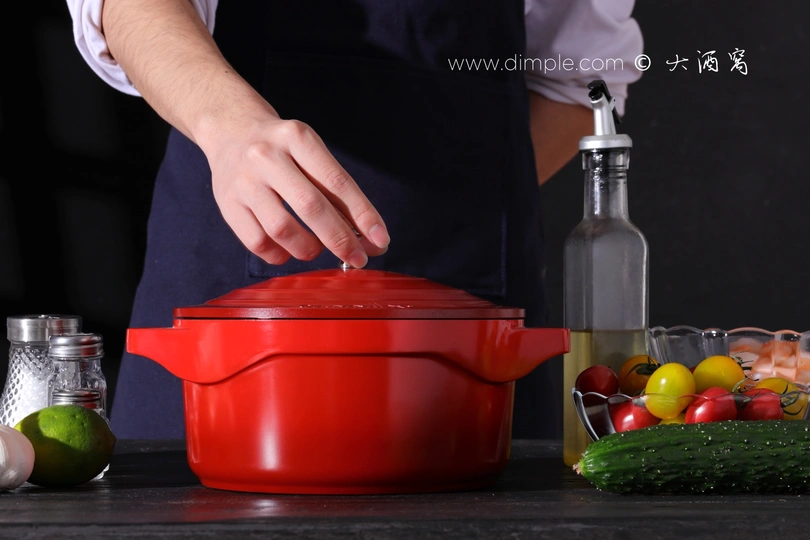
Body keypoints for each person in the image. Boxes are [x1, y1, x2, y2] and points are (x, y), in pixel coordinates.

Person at [66, 0, 643, 439]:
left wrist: (451, 199)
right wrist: (231, 127)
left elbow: (580, 79)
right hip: (222, 281)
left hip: (473, 306)